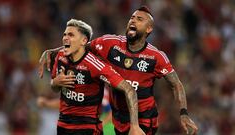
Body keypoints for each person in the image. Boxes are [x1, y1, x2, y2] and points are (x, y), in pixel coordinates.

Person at [38, 6, 198, 135]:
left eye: (139, 19)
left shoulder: (156, 57)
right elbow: (80, 46)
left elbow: (176, 84)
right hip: (117, 118)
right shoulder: (109, 44)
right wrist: (51, 52)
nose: (133, 21)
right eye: (132, 18)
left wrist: (184, 113)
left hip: (143, 119)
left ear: (149, 29)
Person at [43, 18, 145, 135]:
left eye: (71, 35)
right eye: (65, 34)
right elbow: (55, 88)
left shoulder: (95, 65)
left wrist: (135, 126)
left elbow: (129, 89)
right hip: (63, 126)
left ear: (83, 41)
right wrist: (55, 83)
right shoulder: (60, 57)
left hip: (88, 128)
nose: (65, 38)